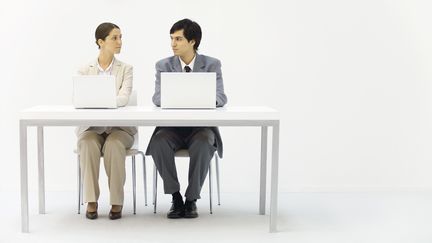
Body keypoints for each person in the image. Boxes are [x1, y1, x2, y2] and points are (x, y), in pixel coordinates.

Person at [146, 19, 227, 219]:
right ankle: (175, 197)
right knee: (158, 142)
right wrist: (177, 98)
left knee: (204, 142)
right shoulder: (163, 65)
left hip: (200, 128)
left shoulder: (211, 65)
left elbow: (221, 97)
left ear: (192, 41)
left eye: (178, 39)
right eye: (172, 38)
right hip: (172, 128)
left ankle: (191, 200)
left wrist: (201, 99)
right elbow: (157, 98)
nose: (173, 43)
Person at [76, 22, 136, 220]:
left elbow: (124, 97)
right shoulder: (85, 70)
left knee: (114, 144)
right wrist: (107, 100)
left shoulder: (126, 69)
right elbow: (80, 99)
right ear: (101, 42)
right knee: (86, 143)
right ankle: (91, 200)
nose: (119, 41)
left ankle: (116, 201)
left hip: (119, 129)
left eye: (120, 37)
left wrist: (98, 100)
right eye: (114, 38)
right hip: (92, 127)